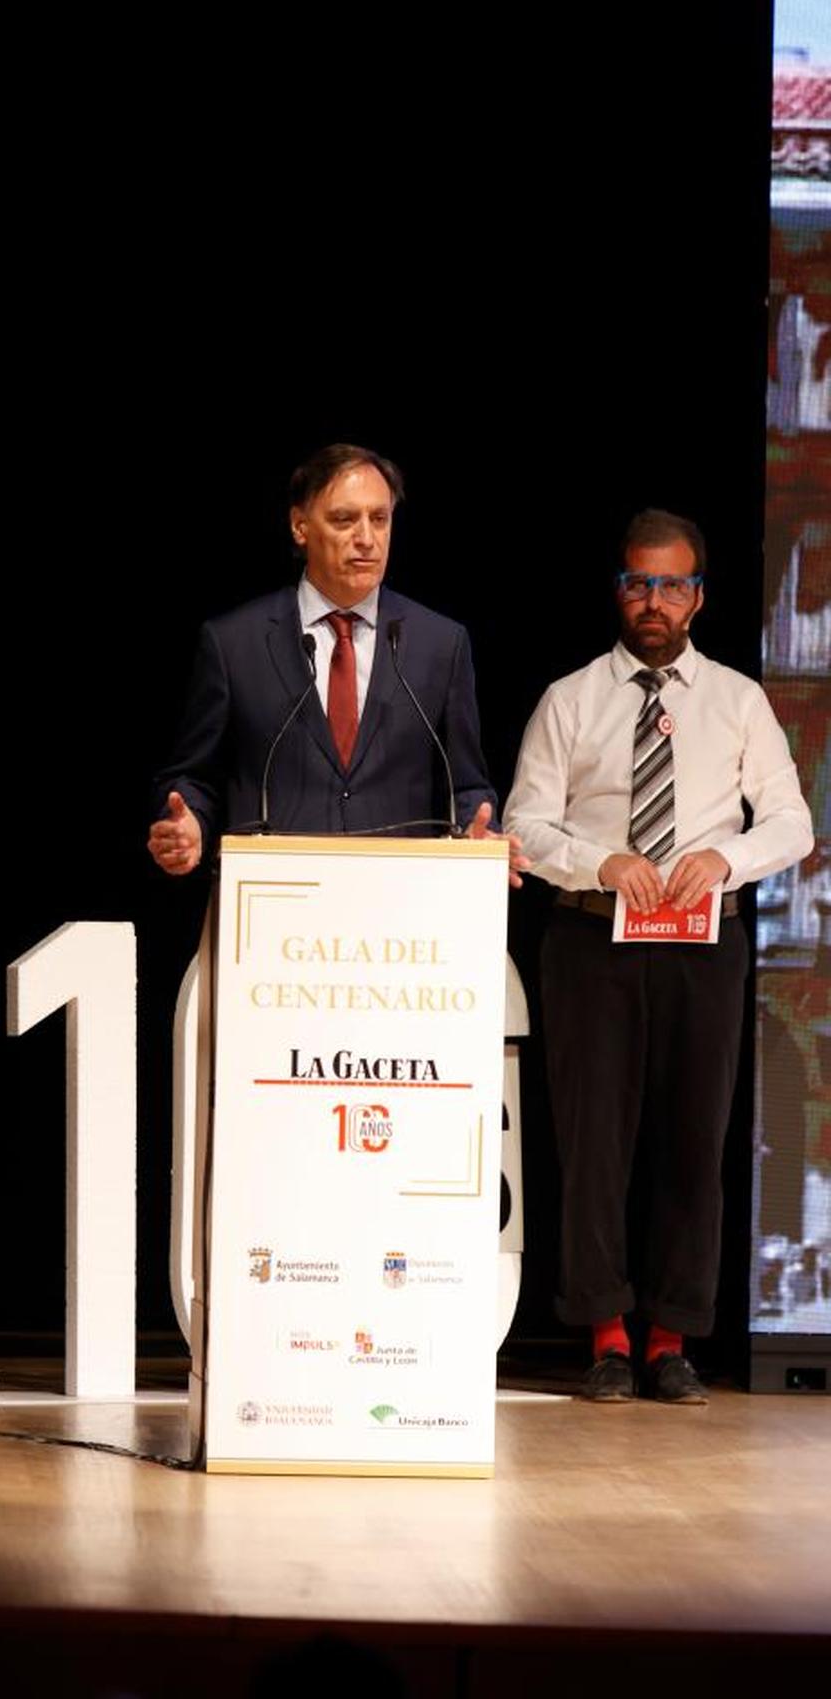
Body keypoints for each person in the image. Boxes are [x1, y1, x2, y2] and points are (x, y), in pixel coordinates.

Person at [505, 510, 813, 1403]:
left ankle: (670, 1339)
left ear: (699, 597)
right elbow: (525, 822)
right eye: (638, 582)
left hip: (700, 939)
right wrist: (599, 858)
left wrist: (729, 858)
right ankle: (604, 1336)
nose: (653, 600)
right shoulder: (571, 698)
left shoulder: (737, 700)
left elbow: (792, 821)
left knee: (693, 1136)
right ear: (619, 591)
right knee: (594, 1138)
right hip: (591, 934)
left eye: (671, 584)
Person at [147, 443, 524, 878]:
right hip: (274, 901)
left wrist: (480, 834)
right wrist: (188, 821)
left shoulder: (441, 642)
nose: (366, 538)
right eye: (344, 519)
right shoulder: (234, 642)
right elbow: (194, 774)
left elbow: (466, 783)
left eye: (379, 519)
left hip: (402, 907)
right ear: (300, 526)